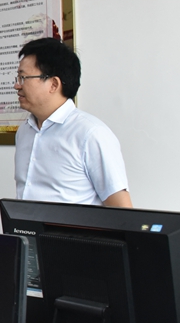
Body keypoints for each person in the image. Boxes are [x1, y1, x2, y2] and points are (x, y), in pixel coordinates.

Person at [13, 37, 131, 207]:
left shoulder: (90, 134)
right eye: (18, 78)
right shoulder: (24, 131)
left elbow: (121, 209)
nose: (17, 86)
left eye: (23, 78)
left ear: (53, 84)